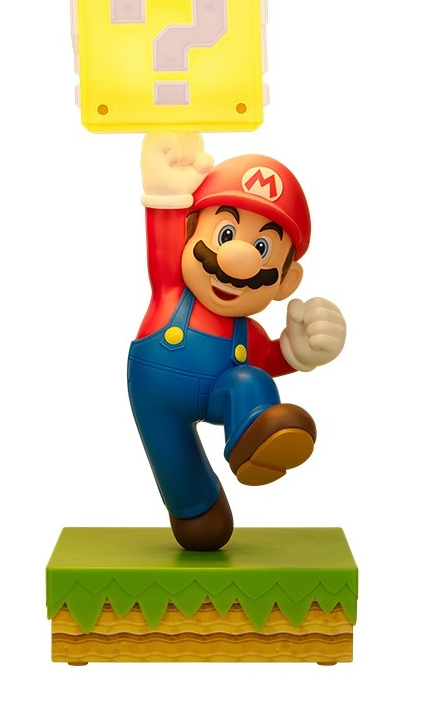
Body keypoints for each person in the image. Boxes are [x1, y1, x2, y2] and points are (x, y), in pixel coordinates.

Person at [128, 132, 346, 550]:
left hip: (221, 392)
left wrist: (298, 351)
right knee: (194, 507)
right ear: (188, 235)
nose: (238, 260)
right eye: (225, 234)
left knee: (249, 380)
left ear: (287, 282)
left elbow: (271, 358)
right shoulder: (171, 290)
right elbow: (162, 238)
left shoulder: (248, 334)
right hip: (156, 397)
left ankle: (255, 436)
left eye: (262, 247)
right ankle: (195, 504)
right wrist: (165, 191)